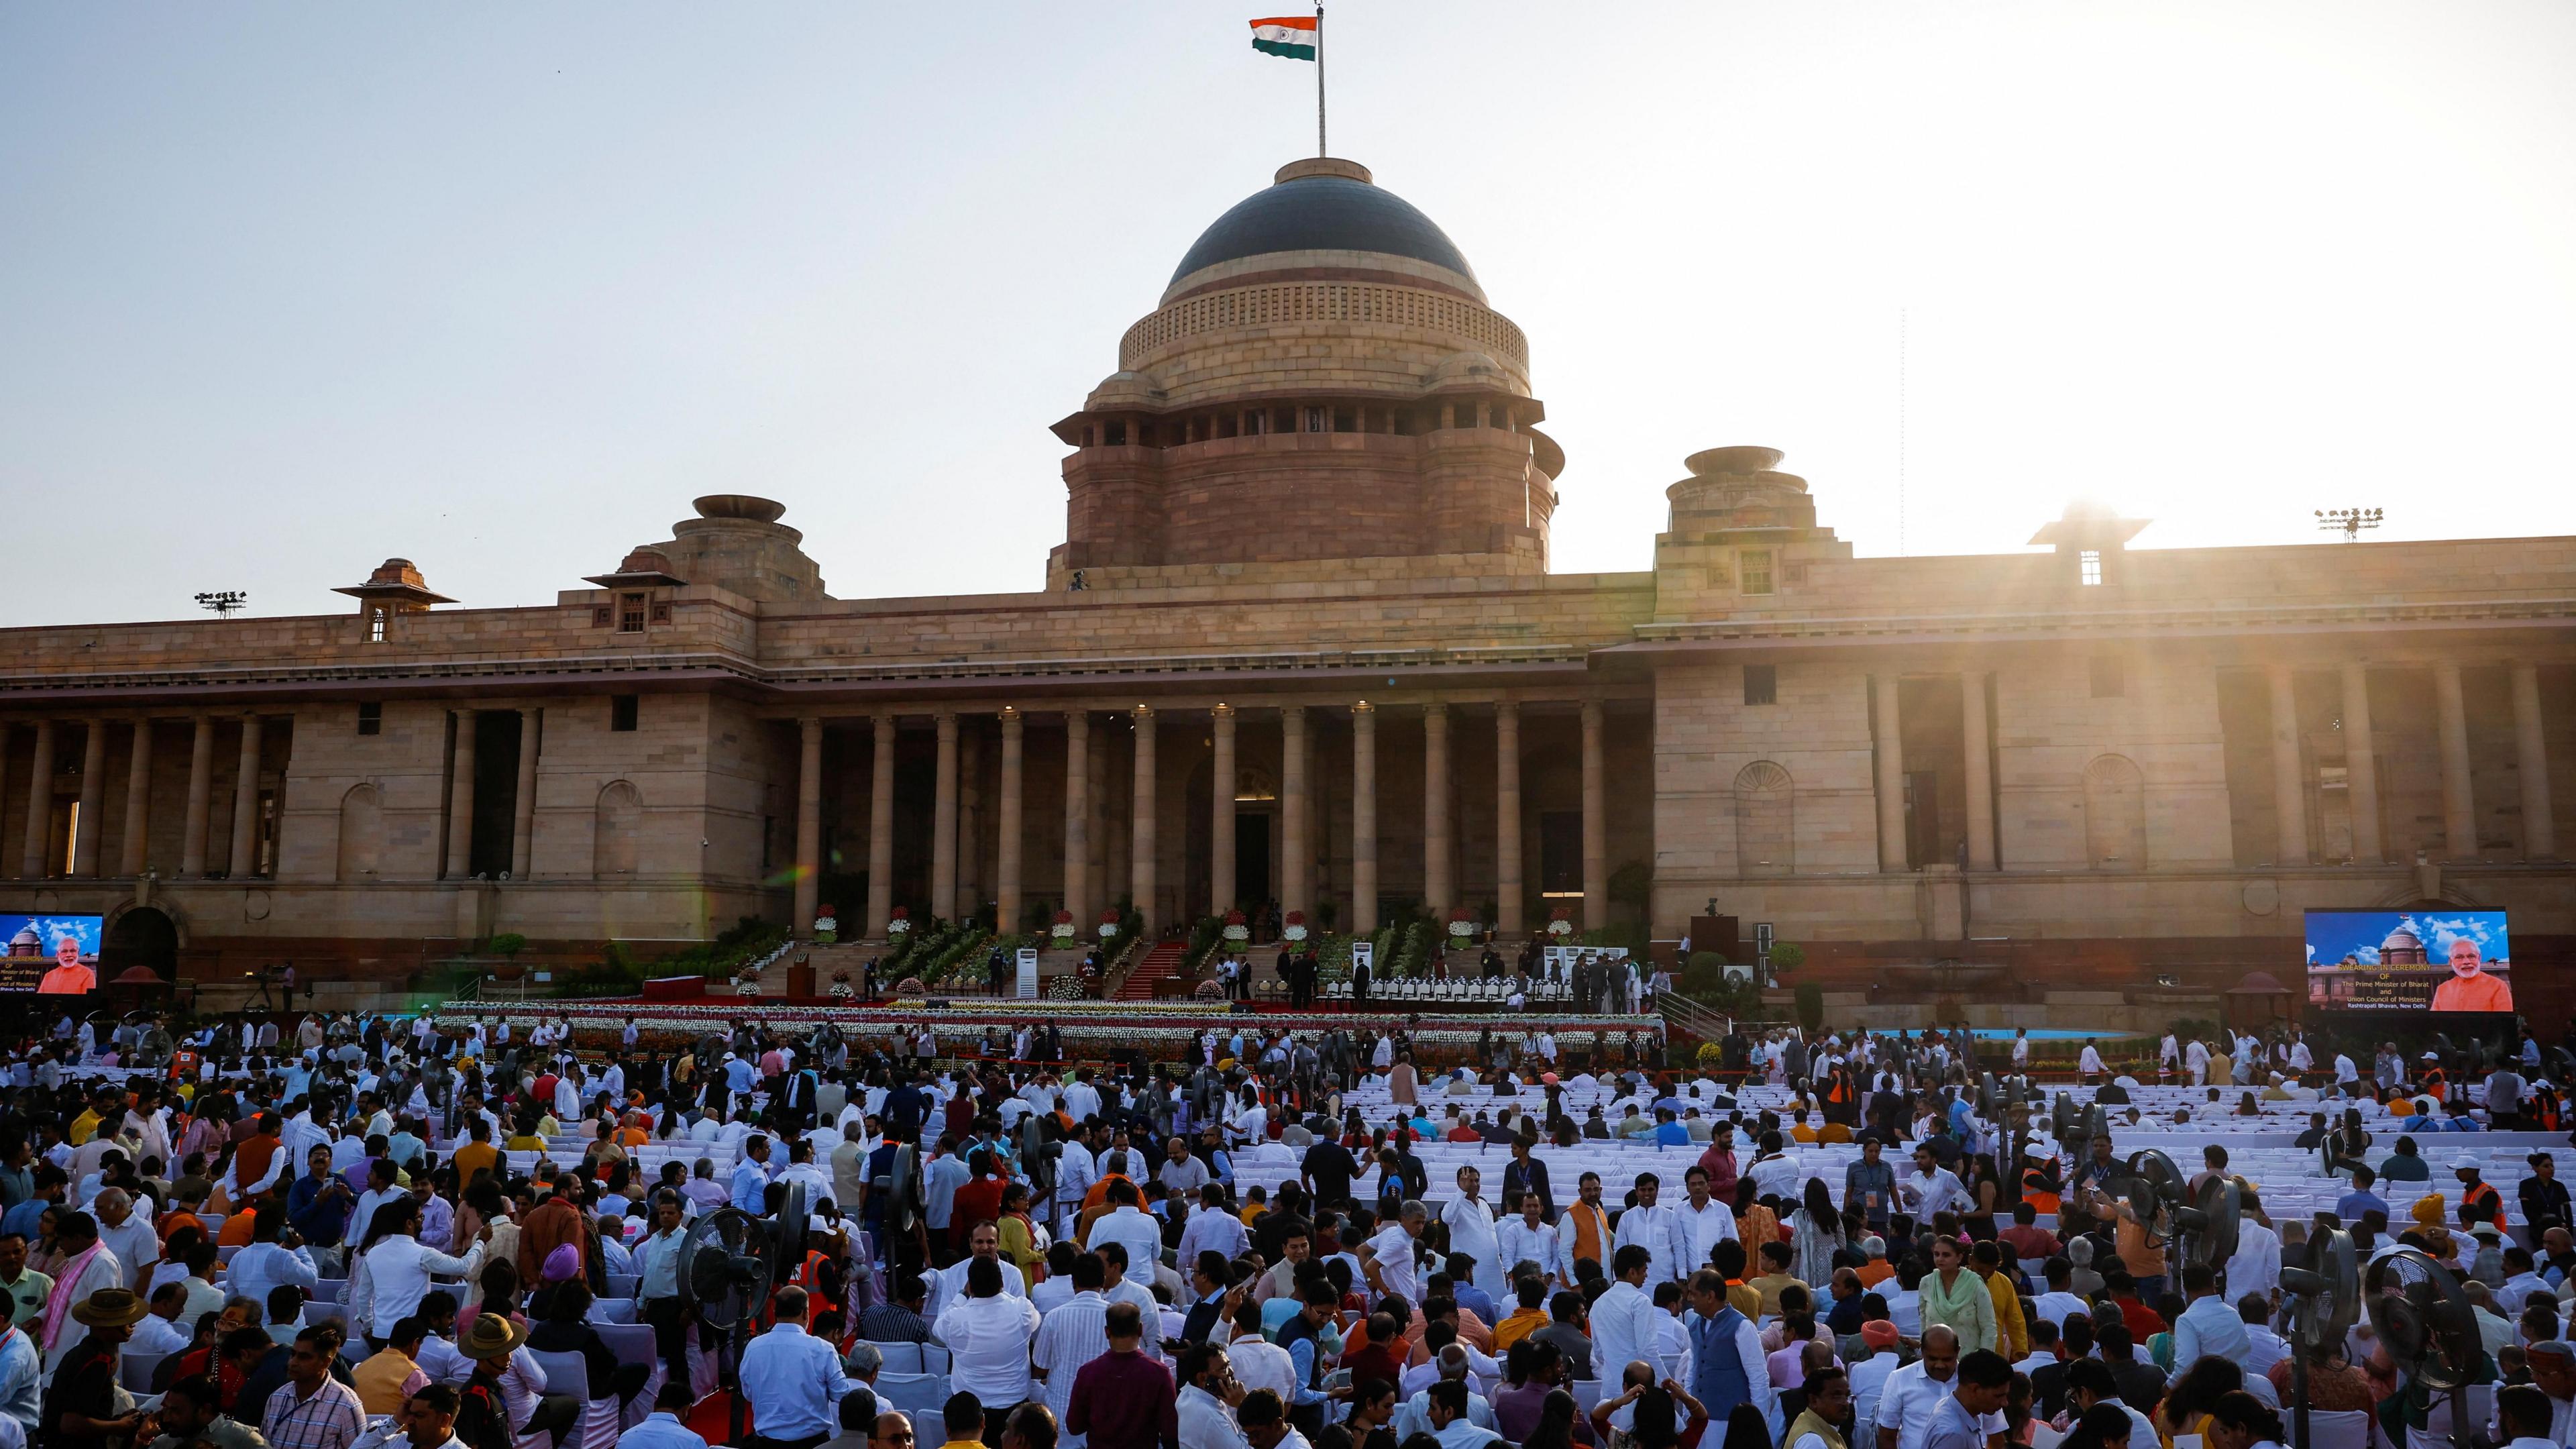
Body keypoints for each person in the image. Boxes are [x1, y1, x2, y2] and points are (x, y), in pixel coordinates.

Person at [739, 1286, 854, 1449]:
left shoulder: (754, 1347)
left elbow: (749, 1394)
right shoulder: (823, 1349)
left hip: (768, 1442)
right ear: (806, 1313)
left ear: (774, 1310)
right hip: (814, 1442)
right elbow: (841, 1394)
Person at [39, 1286, 144, 1449]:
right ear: (105, 1326)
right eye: (124, 1321)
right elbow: (71, 1423)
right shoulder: (96, 1363)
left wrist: (118, 1420)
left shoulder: (83, 1352)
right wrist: (119, 1427)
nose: (132, 1325)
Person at [1065, 1301, 1179, 1449]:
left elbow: (1074, 1426)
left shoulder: (1089, 1372)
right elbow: (1170, 1432)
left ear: (1107, 1332)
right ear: (1140, 1330)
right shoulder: (1159, 1373)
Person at [260, 1326, 368, 1449]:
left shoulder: (346, 1405)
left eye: (304, 1357)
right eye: (293, 1354)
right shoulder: (277, 1398)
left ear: (326, 1362)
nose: (293, 1362)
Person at [2429, 938, 2512, 1013]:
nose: (2466, 962)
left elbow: (2503, 1023)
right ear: (2451, 961)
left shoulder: (2497, 986)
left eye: (2471, 956)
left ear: (2479, 958)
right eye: (2459, 957)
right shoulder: (2442, 989)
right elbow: (2434, 1023)